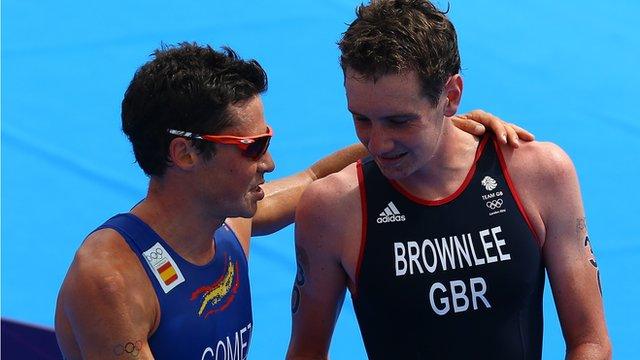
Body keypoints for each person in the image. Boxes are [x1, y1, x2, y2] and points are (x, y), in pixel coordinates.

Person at [54, 42, 530, 360]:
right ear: (185, 153)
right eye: (253, 147)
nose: (270, 163)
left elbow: (318, 176)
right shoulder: (112, 281)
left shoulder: (228, 226)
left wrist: (435, 129)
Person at [286, 1, 612, 359]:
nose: (377, 144)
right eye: (361, 119)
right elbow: (307, 353)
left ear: (451, 96)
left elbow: (589, 341)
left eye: (400, 121)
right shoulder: (332, 208)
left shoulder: (540, 174)